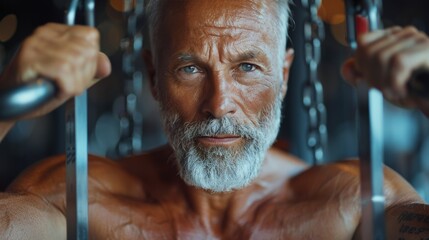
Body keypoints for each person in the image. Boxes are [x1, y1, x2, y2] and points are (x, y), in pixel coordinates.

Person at [0, 0, 428, 239]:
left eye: (247, 68)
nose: (219, 104)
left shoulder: (356, 204)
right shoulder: (77, 201)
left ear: (282, 76)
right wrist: (4, 102)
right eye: (190, 69)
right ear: (154, 77)